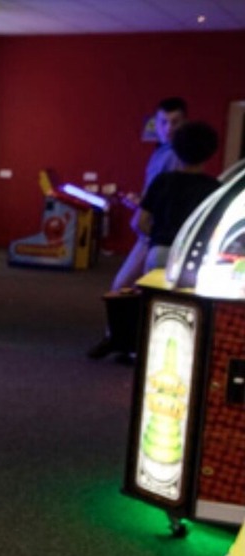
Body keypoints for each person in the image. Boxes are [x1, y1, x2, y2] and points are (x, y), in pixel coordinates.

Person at [89, 97, 187, 359]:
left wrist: (143, 208)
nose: (169, 127)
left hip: (157, 235)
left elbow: (167, 199)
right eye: (164, 122)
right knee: (127, 287)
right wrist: (140, 203)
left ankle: (126, 344)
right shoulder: (161, 151)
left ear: (184, 123)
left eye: (175, 122)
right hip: (148, 231)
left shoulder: (176, 155)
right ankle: (122, 341)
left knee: (127, 286)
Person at [133, 120, 220, 273]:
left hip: (159, 250)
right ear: (210, 151)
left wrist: (157, 237)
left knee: (151, 294)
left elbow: (141, 222)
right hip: (193, 255)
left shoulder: (162, 180)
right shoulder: (214, 188)